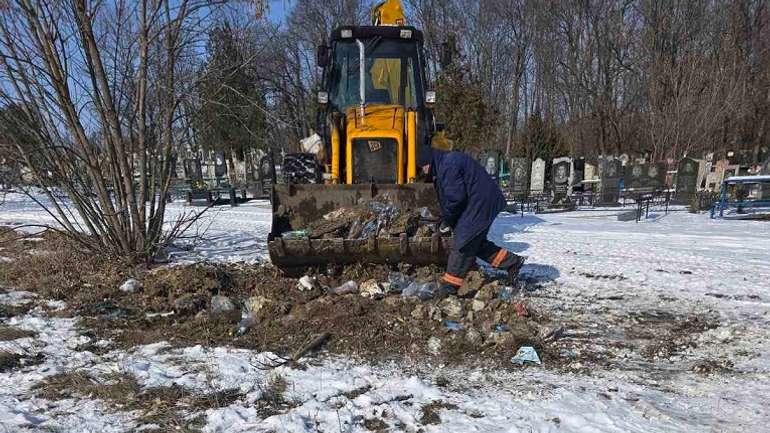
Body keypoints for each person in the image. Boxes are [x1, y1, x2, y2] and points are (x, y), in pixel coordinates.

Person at [419, 148, 525, 297]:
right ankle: (512, 262)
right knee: (476, 243)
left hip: (480, 203)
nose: (424, 172)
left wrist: (448, 220)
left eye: (423, 168)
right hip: (481, 200)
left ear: (428, 163)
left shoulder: (447, 165)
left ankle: (449, 287)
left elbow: (456, 198)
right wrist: (446, 218)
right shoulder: (445, 163)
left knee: (463, 242)